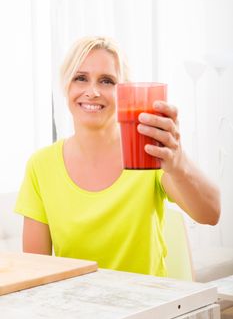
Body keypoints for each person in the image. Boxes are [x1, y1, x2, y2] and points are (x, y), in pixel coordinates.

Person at [14, 36, 221, 277]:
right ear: (66, 86)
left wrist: (178, 162)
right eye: (80, 78)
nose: (92, 92)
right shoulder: (41, 166)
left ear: (124, 92)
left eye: (107, 81)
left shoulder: (150, 154)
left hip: (148, 308)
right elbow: (35, 271)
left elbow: (211, 213)